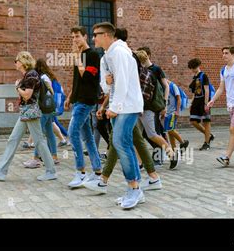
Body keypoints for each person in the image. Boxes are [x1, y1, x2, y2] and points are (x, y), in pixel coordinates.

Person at [90, 22, 144, 209]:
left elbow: (122, 82)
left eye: (96, 34)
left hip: (127, 106)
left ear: (106, 35)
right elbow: (107, 86)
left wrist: (116, 107)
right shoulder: (106, 56)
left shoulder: (120, 52)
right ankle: (137, 188)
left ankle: (133, 188)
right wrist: (107, 81)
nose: (93, 38)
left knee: (120, 143)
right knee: (125, 144)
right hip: (118, 105)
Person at [0, 52, 57, 181]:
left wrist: (17, 87)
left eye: (16, 60)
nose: (15, 63)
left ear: (23, 62)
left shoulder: (31, 75)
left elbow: (27, 95)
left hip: (30, 112)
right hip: (26, 112)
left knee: (39, 141)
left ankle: (51, 171)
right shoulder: (29, 75)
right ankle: (0, 170)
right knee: (13, 139)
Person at [64, 26, 102, 188]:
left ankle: (81, 172)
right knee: (87, 137)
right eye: (73, 37)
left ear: (85, 36)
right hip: (78, 99)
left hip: (87, 100)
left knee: (73, 133)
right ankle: (98, 172)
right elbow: (77, 80)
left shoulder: (93, 55)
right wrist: (69, 97)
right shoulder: (79, 56)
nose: (75, 40)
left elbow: (86, 77)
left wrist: (78, 58)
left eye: (77, 36)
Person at [23, 58, 60, 168]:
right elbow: (52, 92)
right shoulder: (46, 77)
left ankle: (36, 159)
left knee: (38, 134)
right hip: (49, 108)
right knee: (49, 133)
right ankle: (54, 157)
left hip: (43, 109)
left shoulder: (41, 77)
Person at [187, 58, 214, 150]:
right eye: (191, 68)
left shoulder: (203, 76)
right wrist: (191, 103)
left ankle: (206, 143)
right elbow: (194, 92)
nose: (191, 70)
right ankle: (209, 135)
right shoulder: (194, 77)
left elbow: (207, 90)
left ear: (197, 66)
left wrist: (206, 104)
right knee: (193, 121)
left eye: (192, 68)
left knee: (206, 122)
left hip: (204, 101)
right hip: (196, 101)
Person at [165, 79, 189, 153]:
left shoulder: (173, 86)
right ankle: (174, 149)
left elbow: (179, 99)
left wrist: (177, 111)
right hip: (167, 112)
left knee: (170, 130)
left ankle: (183, 142)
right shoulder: (164, 87)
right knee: (170, 131)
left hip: (173, 112)